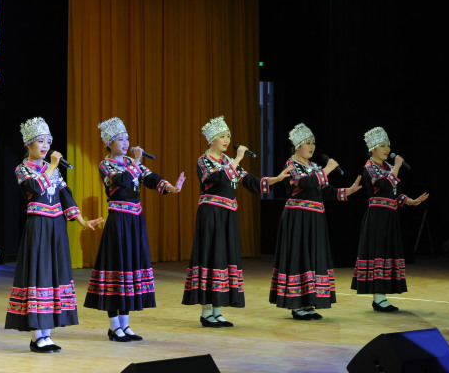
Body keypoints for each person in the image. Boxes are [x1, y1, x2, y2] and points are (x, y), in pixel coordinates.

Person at [182, 116, 292, 327]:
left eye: (228, 136)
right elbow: (218, 179)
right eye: (222, 136)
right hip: (211, 214)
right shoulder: (204, 161)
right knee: (211, 257)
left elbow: (250, 181)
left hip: (228, 215)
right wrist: (238, 158)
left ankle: (217, 311)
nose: (227, 140)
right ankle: (206, 312)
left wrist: (276, 179)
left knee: (224, 258)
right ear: (211, 140)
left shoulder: (227, 161)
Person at [5, 117, 104, 352]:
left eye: (48, 141)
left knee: (53, 276)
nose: (45, 145)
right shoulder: (23, 169)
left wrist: (82, 221)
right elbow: (35, 188)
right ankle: (36, 336)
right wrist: (51, 166)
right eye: (40, 141)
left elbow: (65, 197)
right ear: (29, 144)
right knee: (39, 275)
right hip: (38, 225)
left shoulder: (54, 171)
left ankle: (47, 334)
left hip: (56, 226)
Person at [83, 117, 185, 342]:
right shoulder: (106, 165)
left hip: (135, 220)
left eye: (127, 138)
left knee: (129, 269)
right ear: (109, 143)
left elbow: (150, 178)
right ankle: (114, 327)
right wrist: (136, 162)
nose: (126, 143)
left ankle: (125, 324)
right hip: (118, 220)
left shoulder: (132, 162)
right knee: (117, 268)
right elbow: (120, 181)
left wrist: (171, 187)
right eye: (120, 139)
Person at [269, 123, 362, 320]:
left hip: (315, 219)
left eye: (313, 143)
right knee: (300, 257)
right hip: (298, 218)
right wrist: (327, 169)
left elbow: (326, 192)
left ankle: (309, 301)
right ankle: (297, 305)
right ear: (297, 146)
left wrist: (348, 191)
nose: (312, 147)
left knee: (312, 257)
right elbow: (306, 184)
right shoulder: (291, 165)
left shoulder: (314, 167)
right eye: (307, 143)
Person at [351, 127, 428, 311]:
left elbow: (395, 192)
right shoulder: (369, 167)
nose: (387, 149)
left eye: (388, 145)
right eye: (383, 146)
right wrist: (397, 167)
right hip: (377, 216)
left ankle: (381, 296)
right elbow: (384, 185)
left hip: (390, 216)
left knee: (387, 252)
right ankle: (378, 298)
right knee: (379, 252)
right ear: (373, 149)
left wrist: (410, 201)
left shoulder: (387, 167)